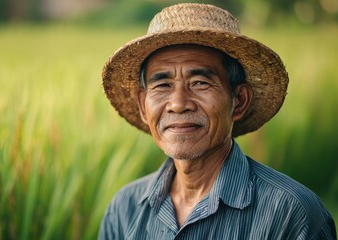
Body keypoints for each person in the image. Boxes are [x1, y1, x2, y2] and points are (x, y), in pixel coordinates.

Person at [99, 3, 336, 240]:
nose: (179, 103)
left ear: (239, 101)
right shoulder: (124, 210)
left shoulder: (292, 215)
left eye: (200, 82)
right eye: (162, 85)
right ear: (142, 106)